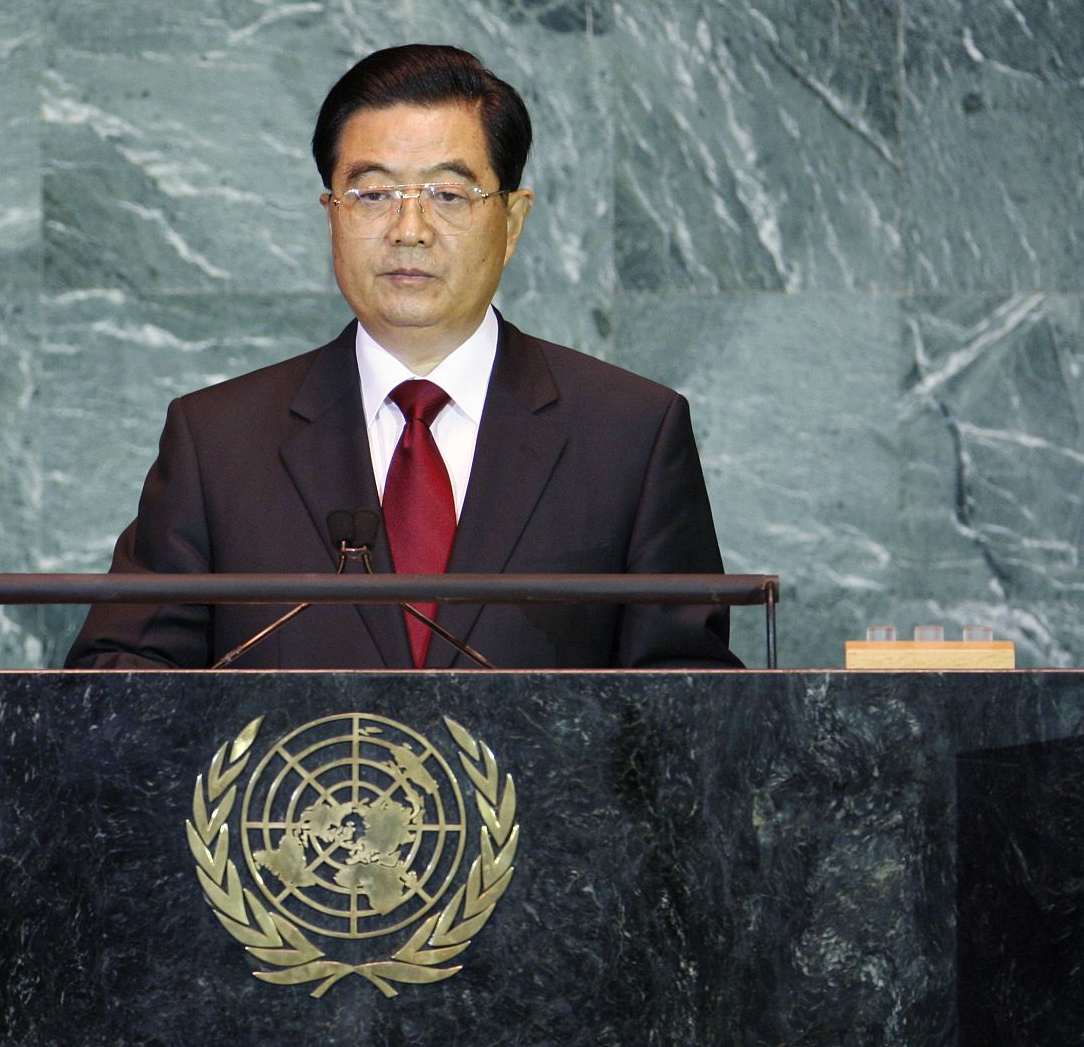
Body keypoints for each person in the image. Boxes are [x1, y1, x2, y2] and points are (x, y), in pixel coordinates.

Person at [65, 44, 740, 670]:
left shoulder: (631, 435)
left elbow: (689, 705)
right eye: (372, 194)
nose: (408, 230)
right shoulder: (218, 442)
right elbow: (123, 683)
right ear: (331, 212)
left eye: (448, 195)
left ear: (511, 222)